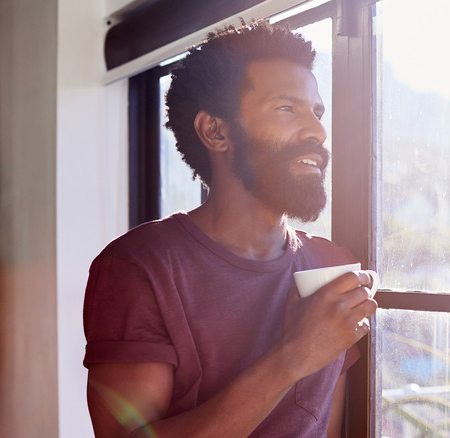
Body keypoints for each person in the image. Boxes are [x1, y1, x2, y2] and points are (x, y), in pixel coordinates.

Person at [83, 20, 378, 438]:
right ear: (215, 131)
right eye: (286, 108)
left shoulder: (332, 266)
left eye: (316, 112)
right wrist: (292, 356)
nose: (317, 131)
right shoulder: (138, 268)